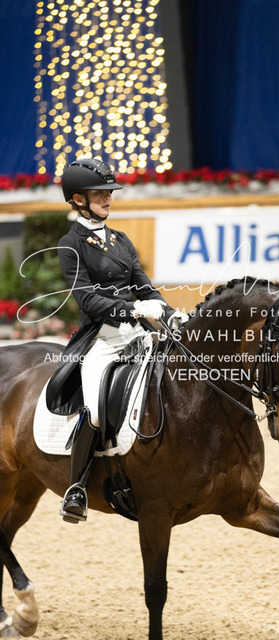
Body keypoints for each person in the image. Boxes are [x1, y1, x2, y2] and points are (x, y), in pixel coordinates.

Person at [46, 157, 187, 524]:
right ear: (78, 199)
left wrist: (169, 314)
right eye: (99, 193)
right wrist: (133, 309)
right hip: (102, 339)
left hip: (138, 334)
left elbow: (144, 287)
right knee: (95, 408)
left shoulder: (121, 240)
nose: (108, 198)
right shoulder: (70, 244)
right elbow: (88, 301)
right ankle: (76, 488)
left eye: (109, 192)